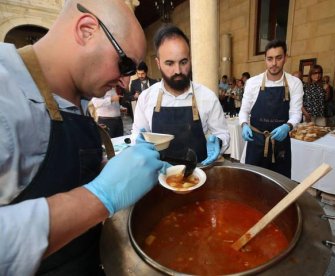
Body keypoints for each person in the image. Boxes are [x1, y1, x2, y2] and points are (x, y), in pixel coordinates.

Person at [0, 1, 169, 275]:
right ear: (87, 30)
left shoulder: (76, 96)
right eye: (125, 65)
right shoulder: (5, 91)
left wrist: (112, 172)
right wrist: (100, 196)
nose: (125, 83)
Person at [132, 25, 230, 166]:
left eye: (183, 62)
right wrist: (139, 142)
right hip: (158, 176)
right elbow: (137, 135)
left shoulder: (207, 97)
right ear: (158, 63)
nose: (178, 70)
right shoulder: (146, 97)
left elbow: (223, 133)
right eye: (170, 63)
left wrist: (218, 142)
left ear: (190, 60)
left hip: (199, 175)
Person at [239, 40, 303, 178]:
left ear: (285, 58)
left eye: (278, 58)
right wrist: (244, 124)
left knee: (278, 185)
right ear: (265, 60)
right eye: (270, 59)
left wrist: (288, 126)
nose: (274, 63)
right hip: (255, 141)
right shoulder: (252, 83)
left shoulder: (295, 83)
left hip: (280, 143)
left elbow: (296, 113)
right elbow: (244, 110)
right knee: (251, 182)